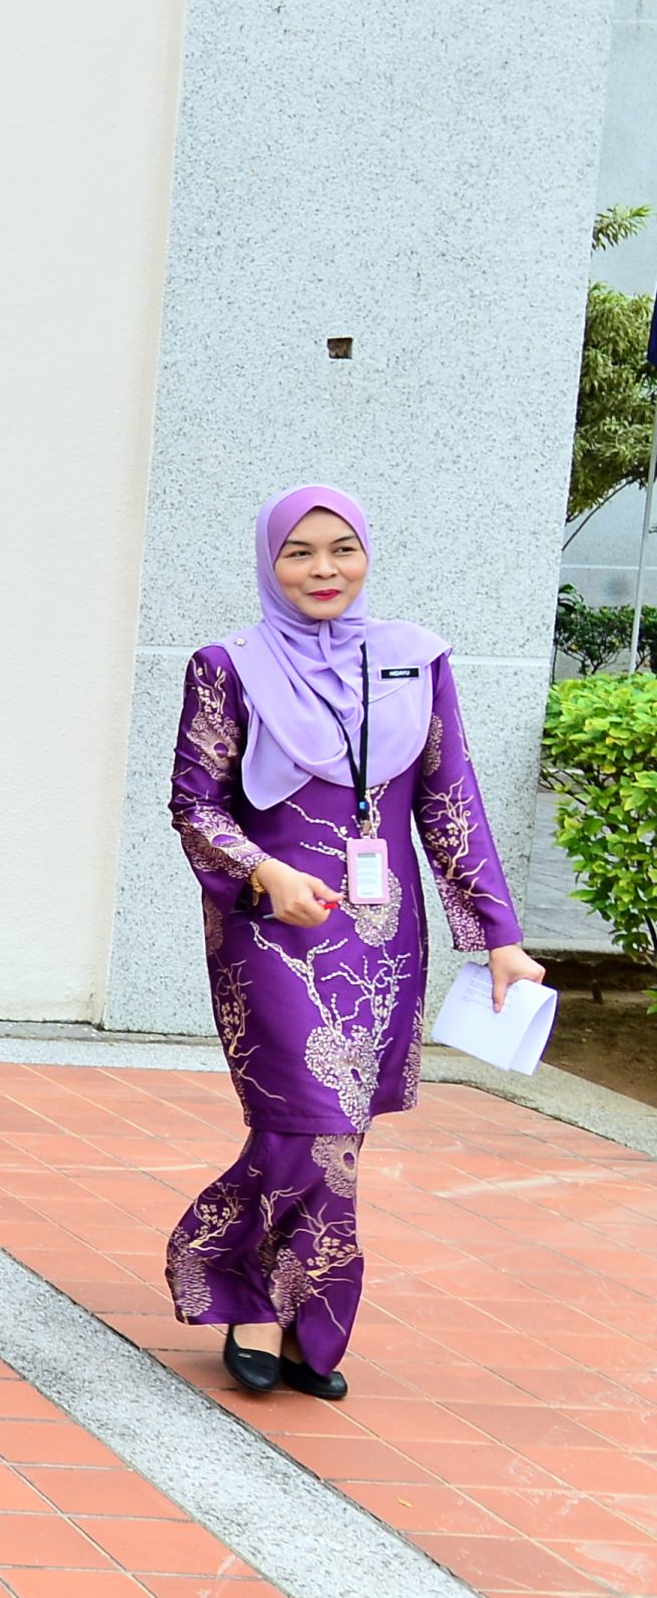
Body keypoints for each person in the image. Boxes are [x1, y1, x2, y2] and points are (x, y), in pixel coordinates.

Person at [166, 485, 544, 1399]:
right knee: (311, 1116)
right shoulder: (228, 666)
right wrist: (264, 871)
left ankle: (294, 1309)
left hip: (382, 935)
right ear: (270, 563)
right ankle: (254, 1293)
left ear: (368, 554)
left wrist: (500, 936)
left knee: (340, 1133)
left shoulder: (416, 660)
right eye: (298, 552)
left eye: (342, 548)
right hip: (272, 929)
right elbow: (195, 804)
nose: (323, 568)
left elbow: (451, 799)